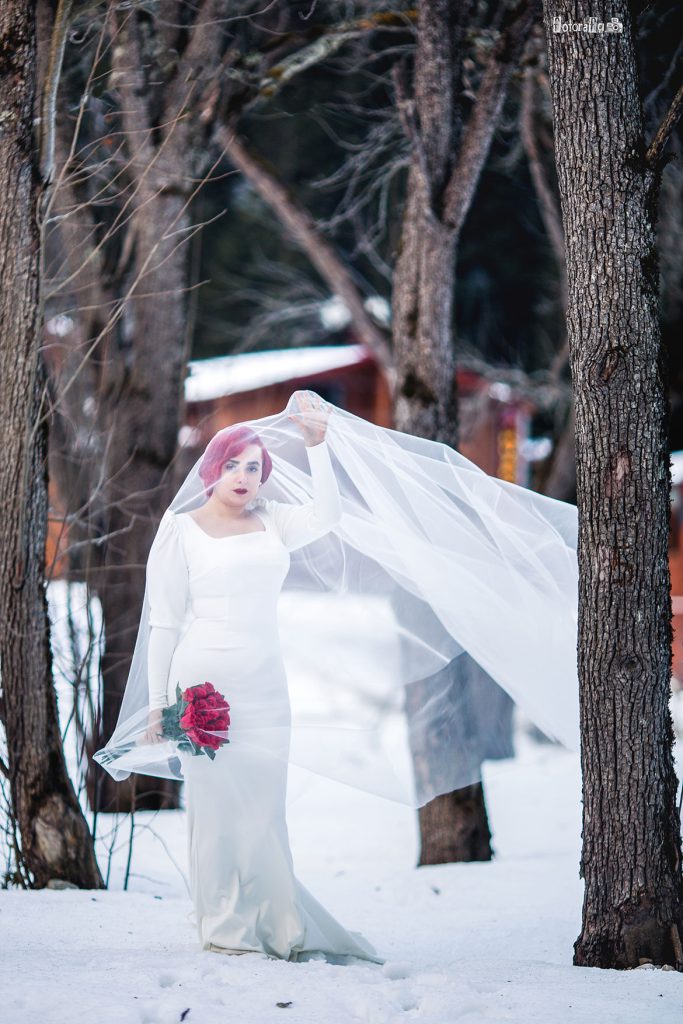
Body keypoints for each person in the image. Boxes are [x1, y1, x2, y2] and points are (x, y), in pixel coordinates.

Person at [95, 387, 580, 960]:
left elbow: (328, 515)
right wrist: (158, 705)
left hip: (266, 683)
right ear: (212, 469)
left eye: (255, 467)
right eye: (234, 465)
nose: (246, 476)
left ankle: (278, 925)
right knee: (215, 809)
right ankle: (223, 926)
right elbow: (166, 626)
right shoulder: (181, 530)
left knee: (264, 810)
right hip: (202, 683)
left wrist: (318, 448)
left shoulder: (273, 519)